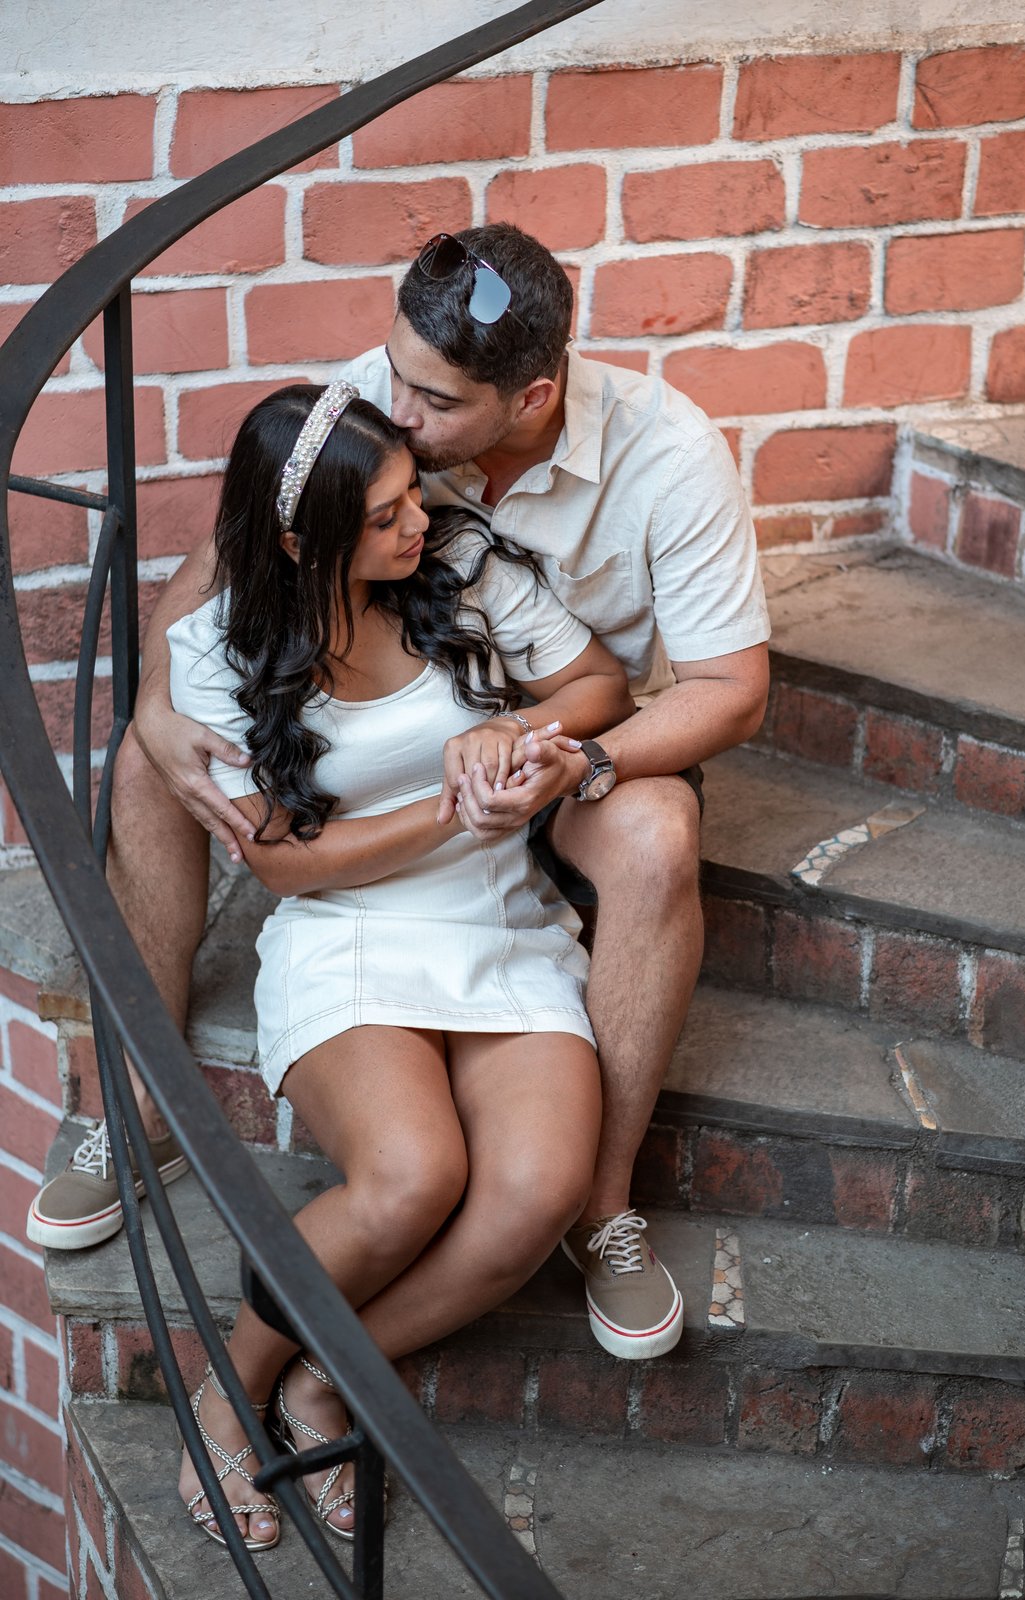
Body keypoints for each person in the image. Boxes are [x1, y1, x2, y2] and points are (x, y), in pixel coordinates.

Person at [29, 223, 770, 1364]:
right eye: (396, 377)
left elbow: (728, 690)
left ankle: (601, 1206)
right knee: (143, 761)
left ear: (529, 398)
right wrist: (162, 711)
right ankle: (136, 1097)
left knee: (660, 830)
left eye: (433, 401)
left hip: (575, 731)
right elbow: (232, 560)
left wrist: (570, 757)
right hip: (409, 760)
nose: (399, 413)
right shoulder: (389, 396)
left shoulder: (669, 457)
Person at [166, 380, 629, 1547]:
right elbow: (285, 863)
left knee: (536, 1193)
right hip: (348, 929)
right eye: (383, 516)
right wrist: (451, 806)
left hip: (501, 920)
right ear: (298, 539)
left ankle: (330, 1376)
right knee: (413, 1174)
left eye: (410, 494)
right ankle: (227, 1390)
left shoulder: (459, 568)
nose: (418, 522)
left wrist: (514, 731)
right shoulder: (218, 650)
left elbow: (601, 686)